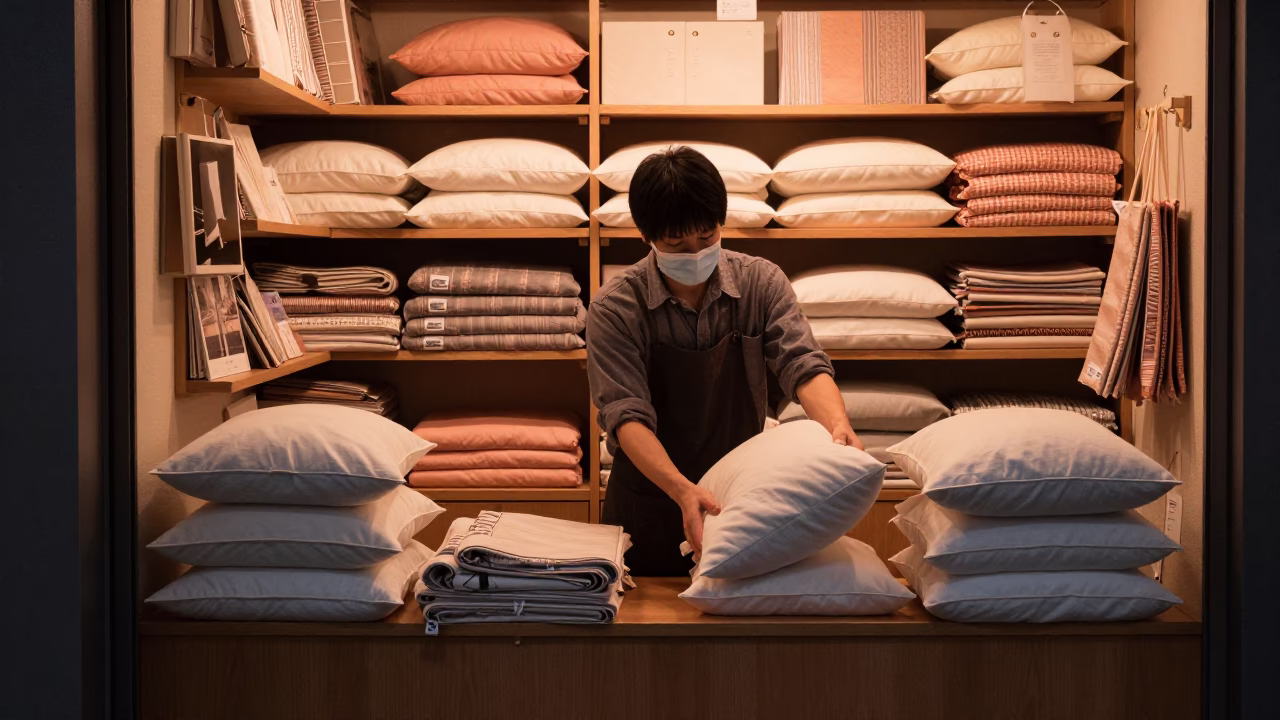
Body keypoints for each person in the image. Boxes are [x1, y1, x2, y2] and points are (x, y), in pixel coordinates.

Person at [587, 146, 862, 576]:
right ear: (646, 236)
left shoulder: (761, 283)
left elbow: (803, 363)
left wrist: (836, 425)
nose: (695, 252)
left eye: (707, 237)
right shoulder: (615, 307)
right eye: (676, 243)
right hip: (649, 500)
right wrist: (681, 490)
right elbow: (624, 415)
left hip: (742, 491)